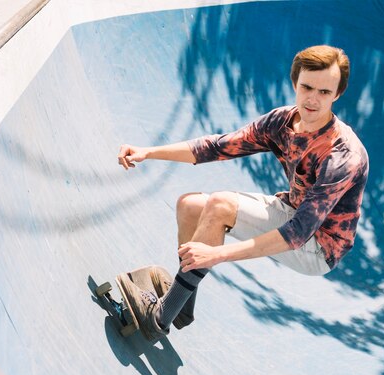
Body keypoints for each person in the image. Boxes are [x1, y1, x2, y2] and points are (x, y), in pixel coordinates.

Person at [116, 45, 369, 340]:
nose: (312, 99)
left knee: (220, 205)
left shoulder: (343, 155)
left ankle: (158, 319)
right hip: (292, 212)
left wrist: (217, 253)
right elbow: (217, 146)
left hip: (317, 247)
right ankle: (179, 304)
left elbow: (297, 234)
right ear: (294, 84)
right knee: (190, 205)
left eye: (324, 93)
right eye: (307, 87)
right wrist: (149, 152)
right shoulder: (282, 122)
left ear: (337, 94)